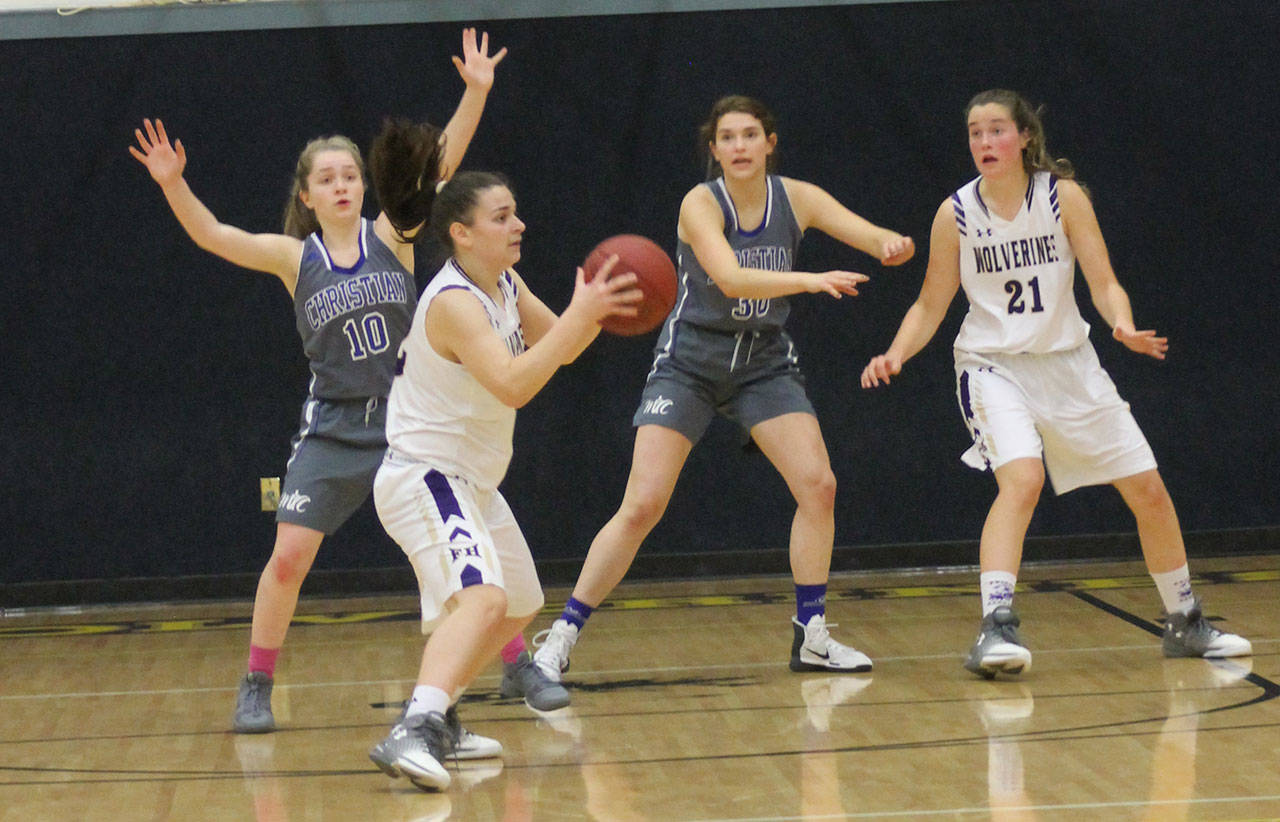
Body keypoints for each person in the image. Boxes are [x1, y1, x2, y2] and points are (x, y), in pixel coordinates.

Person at [127, 30, 550, 732]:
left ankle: (513, 659)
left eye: (350, 175)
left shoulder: (396, 235)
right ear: (307, 193)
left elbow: (440, 167)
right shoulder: (296, 257)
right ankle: (257, 681)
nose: (342, 186)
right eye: (327, 178)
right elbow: (213, 236)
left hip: (411, 420)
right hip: (334, 425)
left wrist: (475, 91)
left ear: (364, 184)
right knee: (289, 556)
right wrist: (175, 184)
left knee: (462, 543)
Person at [860, 89, 1251, 677]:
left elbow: (1105, 281)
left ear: (1023, 138)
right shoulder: (956, 213)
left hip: (1070, 363)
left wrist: (1121, 323)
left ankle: (1184, 620)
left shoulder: (1062, 198)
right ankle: (995, 628)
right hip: (993, 366)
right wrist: (895, 353)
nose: (984, 143)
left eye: (996, 130)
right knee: (1022, 479)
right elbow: (930, 303)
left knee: (1148, 491)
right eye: (974, 133)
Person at [532, 95, 915, 681]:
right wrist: (810, 280)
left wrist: (892, 243)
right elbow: (732, 279)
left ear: (769, 142)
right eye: (727, 138)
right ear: (713, 150)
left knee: (819, 484)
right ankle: (561, 634)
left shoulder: (798, 198)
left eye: (749, 135)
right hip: (689, 361)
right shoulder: (699, 203)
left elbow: (868, 234)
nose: (739, 146)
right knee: (643, 505)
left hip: (762, 362)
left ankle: (811, 634)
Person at [367, 171, 641, 791]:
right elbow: (516, 382)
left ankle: (444, 721)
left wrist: (602, 307)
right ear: (460, 233)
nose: (518, 225)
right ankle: (415, 725)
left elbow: (564, 347)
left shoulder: (503, 283)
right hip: (426, 476)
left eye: (515, 214)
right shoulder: (455, 303)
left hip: (471, 481)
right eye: (501, 217)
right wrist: (583, 314)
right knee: (484, 599)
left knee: (517, 603)